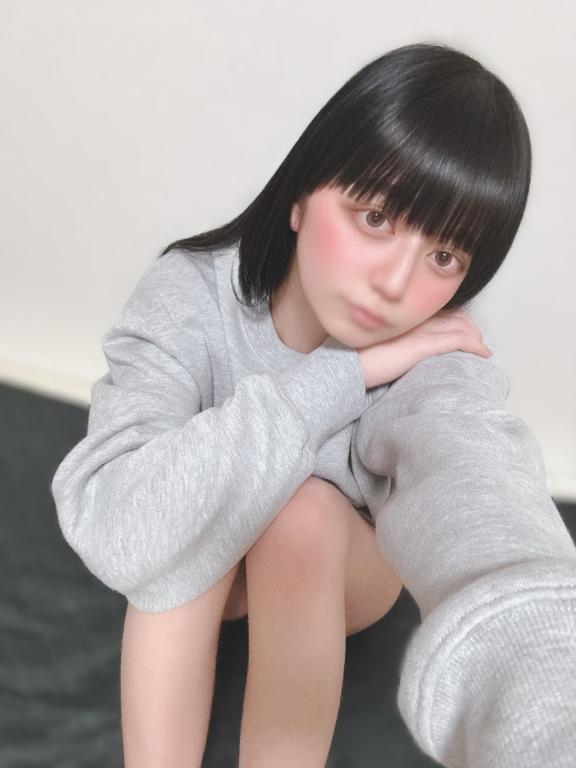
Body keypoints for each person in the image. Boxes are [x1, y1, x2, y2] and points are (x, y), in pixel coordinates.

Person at [50, 42, 576, 767]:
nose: (396, 284)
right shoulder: (190, 293)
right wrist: (345, 374)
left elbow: (481, 484)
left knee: (301, 514)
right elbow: (120, 528)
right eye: (375, 217)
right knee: (184, 508)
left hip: (338, 570)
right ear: (302, 195)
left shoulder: (437, 352)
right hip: (202, 558)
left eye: (444, 256)